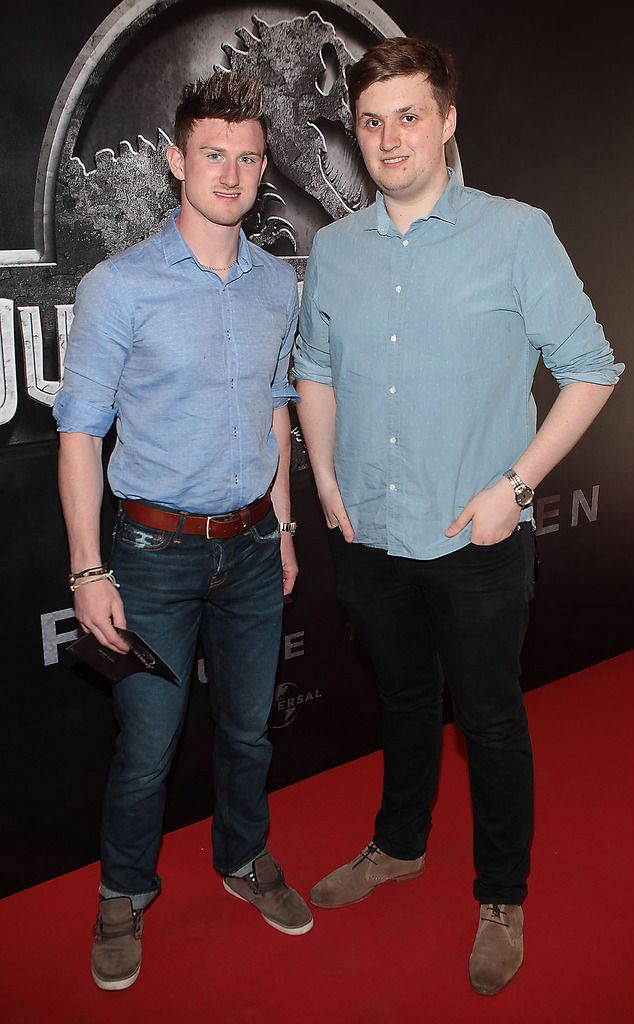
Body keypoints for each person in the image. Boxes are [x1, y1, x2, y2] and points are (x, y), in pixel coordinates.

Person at [293, 37, 623, 996]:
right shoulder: (337, 249)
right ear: (354, 137)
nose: (389, 138)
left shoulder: (517, 233)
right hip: (372, 535)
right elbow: (315, 373)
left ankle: (503, 896)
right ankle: (398, 847)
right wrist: (324, 485)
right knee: (400, 701)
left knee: (487, 717)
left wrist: (514, 489)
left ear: (445, 123)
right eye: (371, 122)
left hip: (476, 537)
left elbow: (592, 368)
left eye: (408, 117)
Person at [54, 71, 313, 993]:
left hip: (249, 549)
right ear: (176, 160)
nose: (233, 173)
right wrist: (89, 571)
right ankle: (122, 892)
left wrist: (282, 530)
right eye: (214, 154)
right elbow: (80, 435)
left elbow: (277, 413)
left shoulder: (278, 284)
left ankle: (243, 860)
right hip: (152, 558)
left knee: (248, 735)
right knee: (147, 748)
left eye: (248, 158)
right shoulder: (118, 288)